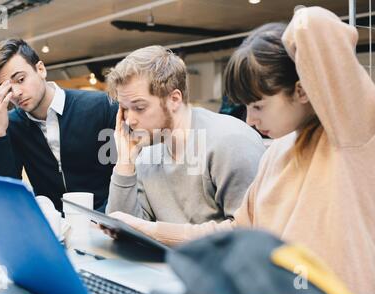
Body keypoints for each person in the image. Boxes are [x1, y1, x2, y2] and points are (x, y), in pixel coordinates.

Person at [106, 7, 375, 294]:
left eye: (258, 106)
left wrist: (259, 46)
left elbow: (313, 24)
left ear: (302, 91)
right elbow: (236, 234)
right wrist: (147, 230)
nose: (249, 120)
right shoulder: (277, 154)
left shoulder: (350, 134)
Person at [104, 45, 265, 226]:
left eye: (139, 107)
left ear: (174, 100)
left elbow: (249, 235)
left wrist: (158, 234)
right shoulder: (147, 151)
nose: (129, 120)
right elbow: (122, 229)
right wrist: (124, 163)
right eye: (124, 109)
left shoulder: (230, 142)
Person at [0, 39, 117, 211]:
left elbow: (124, 172)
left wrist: (103, 221)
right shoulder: (11, 125)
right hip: (54, 229)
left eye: (21, 79)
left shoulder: (101, 106)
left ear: (40, 69)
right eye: (7, 88)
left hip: (108, 225)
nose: (16, 93)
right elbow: (4, 195)